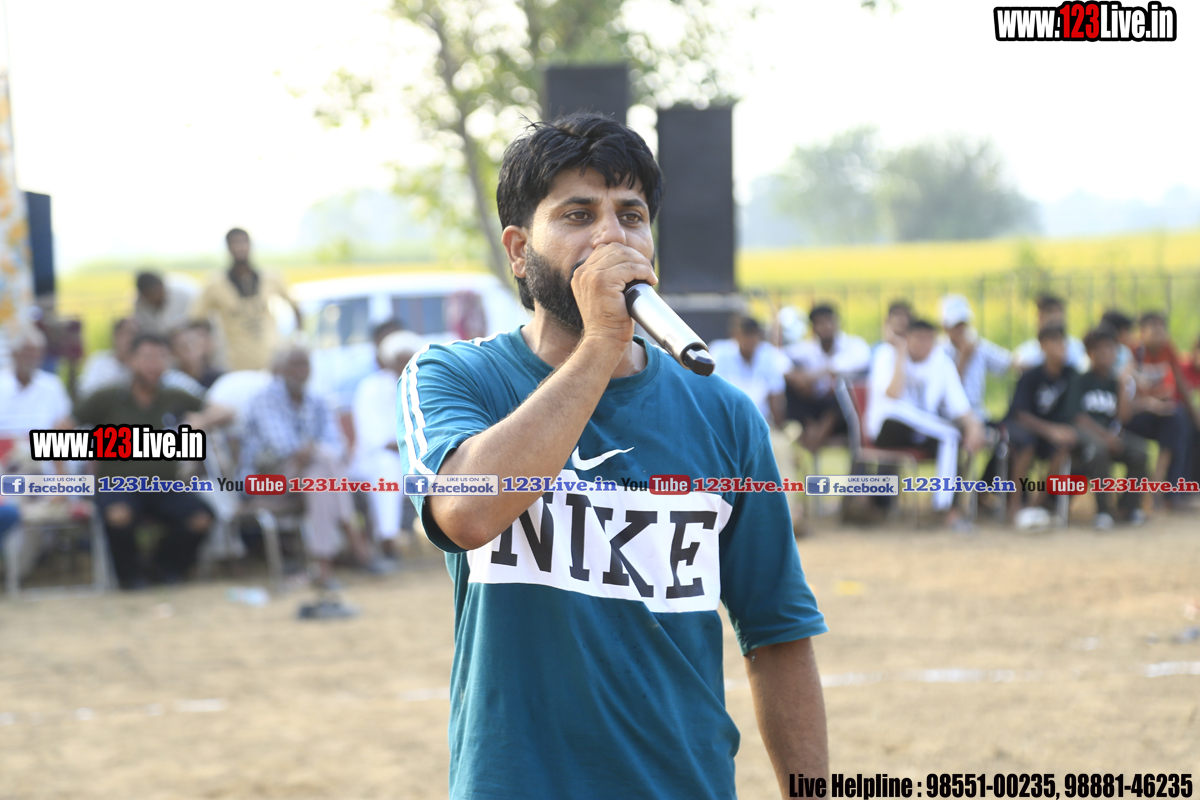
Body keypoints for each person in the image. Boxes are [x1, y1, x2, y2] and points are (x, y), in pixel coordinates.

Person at [398, 115, 828, 799]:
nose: (610, 237)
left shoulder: (723, 414)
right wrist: (602, 343)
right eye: (578, 214)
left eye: (631, 216)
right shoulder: (456, 377)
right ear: (519, 250)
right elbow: (465, 513)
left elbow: (777, 633)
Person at [71, 333, 232, 589]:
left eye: (160, 357)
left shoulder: (174, 396)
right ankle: (130, 576)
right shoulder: (107, 397)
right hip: (118, 486)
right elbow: (63, 426)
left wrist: (201, 420)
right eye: (147, 357)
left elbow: (225, 412)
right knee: (118, 515)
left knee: (201, 517)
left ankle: (164, 567)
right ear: (131, 360)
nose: (153, 364)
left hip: (165, 485)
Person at [239, 344, 378, 587]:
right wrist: (314, 449)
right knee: (324, 462)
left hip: (309, 477)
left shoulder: (317, 399)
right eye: (294, 364)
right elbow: (284, 447)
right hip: (265, 480)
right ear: (280, 369)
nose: (300, 370)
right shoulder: (264, 399)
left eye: (304, 364)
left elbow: (338, 445)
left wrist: (311, 451)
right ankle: (354, 538)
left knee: (318, 479)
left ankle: (323, 567)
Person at [867, 318, 985, 526]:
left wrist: (974, 426)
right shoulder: (887, 355)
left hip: (925, 429)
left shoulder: (941, 362)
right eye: (919, 338)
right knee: (948, 434)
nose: (924, 344)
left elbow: (959, 405)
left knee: (955, 439)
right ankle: (944, 507)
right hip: (889, 428)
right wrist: (901, 354)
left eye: (929, 339)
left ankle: (947, 507)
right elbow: (892, 394)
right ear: (907, 338)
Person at [710, 314, 803, 532]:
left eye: (754, 336)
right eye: (746, 336)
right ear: (735, 336)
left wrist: (778, 428)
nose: (750, 341)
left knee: (781, 449)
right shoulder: (720, 353)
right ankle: (720, 518)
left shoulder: (768, 356)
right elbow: (713, 397)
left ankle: (787, 517)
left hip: (761, 426)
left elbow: (776, 399)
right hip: (726, 427)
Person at [1067, 326, 1148, 528]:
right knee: (1099, 449)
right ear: (1089, 353)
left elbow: (1123, 417)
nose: (1105, 353)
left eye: (1110, 348)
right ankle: (1104, 511)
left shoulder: (1115, 382)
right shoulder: (1080, 380)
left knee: (1140, 451)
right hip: (1086, 433)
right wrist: (1105, 436)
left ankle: (1128, 507)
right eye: (1099, 349)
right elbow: (1077, 416)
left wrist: (1124, 385)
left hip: (1110, 433)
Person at [352, 329, 423, 556]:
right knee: (387, 466)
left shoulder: (421, 384)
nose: (404, 365)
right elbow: (376, 439)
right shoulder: (370, 387)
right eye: (400, 360)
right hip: (375, 459)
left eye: (408, 359)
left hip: (415, 454)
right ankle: (387, 537)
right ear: (389, 361)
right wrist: (410, 444)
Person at [191, 228, 301, 372]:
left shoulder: (271, 277)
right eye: (235, 243)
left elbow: (296, 307)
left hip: (273, 363)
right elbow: (197, 321)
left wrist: (296, 341)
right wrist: (207, 351)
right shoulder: (214, 284)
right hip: (236, 366)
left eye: (244, 242)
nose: (240, 247)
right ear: (228, 247)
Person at [1004, 325, 1079, 523]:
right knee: (1027, 444)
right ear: (1042, 346)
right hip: (1024, 428)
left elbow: (1072, 411)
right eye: (1054, 342)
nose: (1061, 346)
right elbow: (1021, 414)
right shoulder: (1031, 376)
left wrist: (1061, 431)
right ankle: (1014, 506)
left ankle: (1036, 505)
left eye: (1063, 342)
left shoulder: (1071, 375)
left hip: (1051, 431)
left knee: (1064, 446)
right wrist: (1050, 430)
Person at [1126, 311, 1196, 506]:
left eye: (1162, 329)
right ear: (1142, 332)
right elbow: (1125, 391)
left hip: (1160, 412)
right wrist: (1151, 400)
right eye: (1154, 329)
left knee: (1180, 420)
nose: (1159, 333)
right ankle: (1154, 488)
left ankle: (1168, 489)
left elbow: (1180, 383)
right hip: (1136, 412)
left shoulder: (1168, 349)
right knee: (1175, 421)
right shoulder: (1131, 352)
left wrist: (1194, 413)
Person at [784, 303, 870, 452]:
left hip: (842, 410)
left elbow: (860, 359)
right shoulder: (806, 348)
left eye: (829, 321)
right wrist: (796, 376)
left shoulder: (854, 345)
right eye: (820, 323)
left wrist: (816, 375)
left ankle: (815, 439)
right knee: (789, 387)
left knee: (840, 391)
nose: (826, 327)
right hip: (814, 405)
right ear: (813, 327)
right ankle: (812, 429)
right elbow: (777, 357)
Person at [77, 317, 206, 400]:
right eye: (127, 333)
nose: (131, 338)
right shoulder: (100, 363)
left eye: (158, 357)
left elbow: (202, 398)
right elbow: (85, 397)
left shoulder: (169, 378)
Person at [939, 294, 1011, 422]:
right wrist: (963, 358)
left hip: (978, 414)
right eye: (956, 325)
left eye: (964, 324)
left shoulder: (978, 346)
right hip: (949, 417)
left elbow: (1007, 363)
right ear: (945, 327)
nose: (961, 329)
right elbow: (948, 392)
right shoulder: (939, 352)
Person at [1013, 294, 1087, 371]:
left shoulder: (1078, 348)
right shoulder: (1026, 352)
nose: (1056, 317)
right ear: (1039, 317)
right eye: (1051, 312)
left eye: (1059, 312)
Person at [133, 271, 198, 337]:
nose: (155, 296)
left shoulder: (184, 293)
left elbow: (196, 319)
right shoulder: (140, 304)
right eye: (150, 294)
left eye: (156, 291)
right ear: (143, 295)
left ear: (162, 286)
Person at [170, 320, 224, 389]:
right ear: (174, 353)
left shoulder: (219, 379)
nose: (189, 348)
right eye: (182, 346)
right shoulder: (173, 382)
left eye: (192, 342)